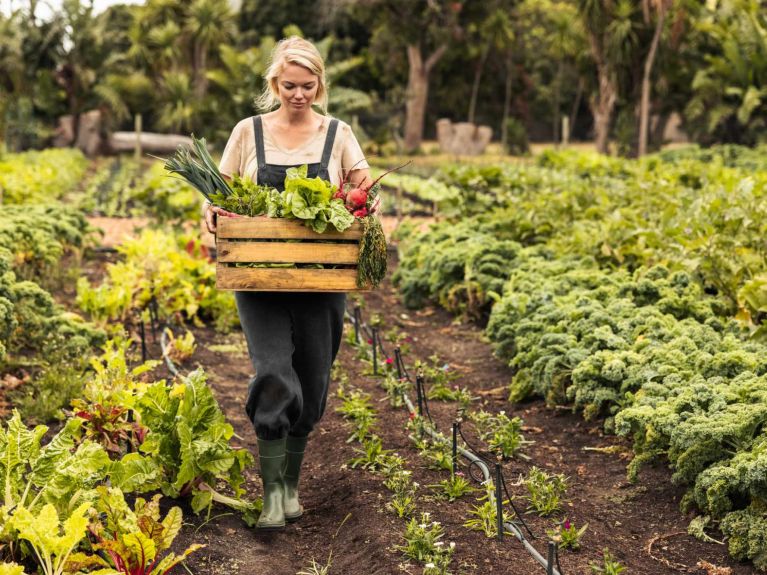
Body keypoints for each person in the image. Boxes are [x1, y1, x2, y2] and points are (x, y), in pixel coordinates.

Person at [202, 36, 373, 531]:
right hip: (258, 276)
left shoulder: (338, 134)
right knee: (274, 372)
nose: (298, 94)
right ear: (274, 84)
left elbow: (361, 185)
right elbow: (216, 196)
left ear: (320, 85)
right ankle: (273, 495)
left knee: (314, 382)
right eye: (289, 85)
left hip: (322, 279)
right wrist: (213, 214)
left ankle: (293, 484)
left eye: (307, 85)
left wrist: (366, 200)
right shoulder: (247, 132)